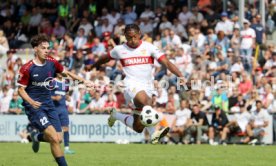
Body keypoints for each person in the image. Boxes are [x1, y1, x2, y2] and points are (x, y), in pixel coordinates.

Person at [92, 24, 184, 144]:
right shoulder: (120, 49)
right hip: (130, 84)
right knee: (146, 102)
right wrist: (93, 65)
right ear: (125, 36)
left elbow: (166, 62)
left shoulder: (149, 47)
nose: (132, 40)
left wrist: (180, 76)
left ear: (139, 34)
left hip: (148, 86)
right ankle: (154, 133)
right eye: (129, 38)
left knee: (138, 127)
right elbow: (105, 58)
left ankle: (116, 116)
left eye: (135, 37)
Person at [17, 34, 92, 166]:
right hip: (35, 106)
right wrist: (31, 102)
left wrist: (84, 81)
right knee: (53, 137)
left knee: (58, 138)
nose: (46, 50)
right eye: (43, 48)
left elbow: (66, 73)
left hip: (49, 105)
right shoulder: (27, 68)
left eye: (48, 48)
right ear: (35, 49)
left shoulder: (52, 62)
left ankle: (35, 137)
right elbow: (20, 90)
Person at [51, 74, 75, 154]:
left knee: (66, 128)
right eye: (60, 72)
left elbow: (66, 93)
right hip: (54, 109)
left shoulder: (65, 82)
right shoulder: (52, 82)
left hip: (63, 109)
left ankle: (67, 149)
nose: (62, 74)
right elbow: (45, 95)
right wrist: (54, 98)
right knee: (53, 131)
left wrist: (68, 98)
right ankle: (37, 138)